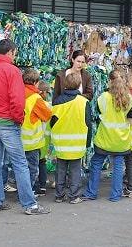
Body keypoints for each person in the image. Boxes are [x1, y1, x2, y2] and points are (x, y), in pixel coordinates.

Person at [0, 39, 50, 215]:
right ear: (10, 52)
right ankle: (30, 205)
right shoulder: (13, 71)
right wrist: (18, 119)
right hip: (7, 123)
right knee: (20, 164)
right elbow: (17, 100)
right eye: (15, 52)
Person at [82, 70, 132, 202]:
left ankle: (91, 192)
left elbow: (98, 109)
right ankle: (115, 195)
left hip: (104, 139)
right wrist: (129, 116)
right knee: (117, 166)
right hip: (121, 141)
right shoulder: (129, 99)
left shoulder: (104, 97)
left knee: (96, 164)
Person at [51, 73, 92, 204]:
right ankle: (74, 196)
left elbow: (52, 121)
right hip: (77, 141)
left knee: (60, 169)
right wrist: (88, 141)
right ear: (80, 85)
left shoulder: (57, 101)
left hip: (61, 141)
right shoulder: (84, 102)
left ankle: (59, 195)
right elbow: (88, 123)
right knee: (75, 170)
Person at [21, 68, 52, 189]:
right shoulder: (35, 98)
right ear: (35, 83)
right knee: (32, 169)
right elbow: (47, 115)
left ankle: (22, 190)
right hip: (31, 141)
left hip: (17, 139)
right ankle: (27, 193)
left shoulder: (17, 93)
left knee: (21, 168)